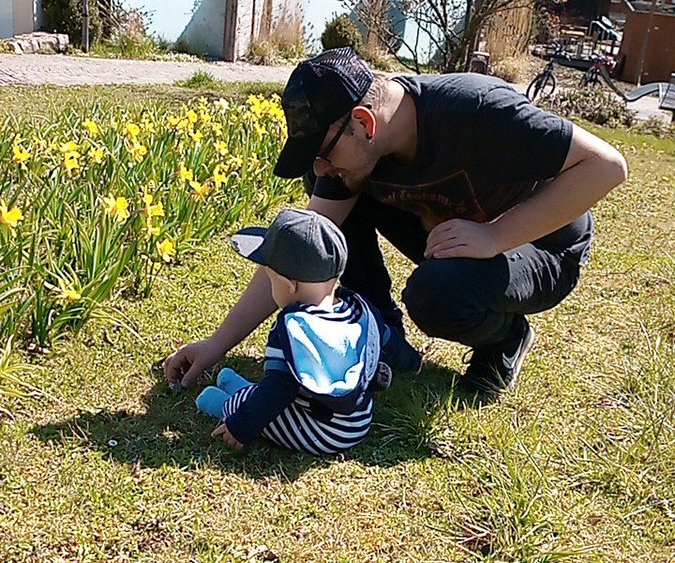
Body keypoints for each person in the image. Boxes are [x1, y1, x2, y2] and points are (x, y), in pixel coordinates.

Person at [165, 47, 628, 400]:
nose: (321, 169)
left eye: (323, 153)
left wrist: (495, 236)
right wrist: (217, 344)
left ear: (364, 123)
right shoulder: (362, 153)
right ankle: (381, 336)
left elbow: (607, 167)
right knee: (328, 222)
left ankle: (505, 338)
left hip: (543, 246)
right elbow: (300, 255)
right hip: (458, 233)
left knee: (437, 294)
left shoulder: (477, 110)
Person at [193, 207, 421, 455]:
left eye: (271, 280)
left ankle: (225, 403)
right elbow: (389, 341)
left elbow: (278, 389)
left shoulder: (293, 329)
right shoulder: (358, 311)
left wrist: (241, 427)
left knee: (254, 403)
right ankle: (243, 391)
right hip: (357, 421)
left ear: (288, 286)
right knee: (261, 396)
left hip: (321, 431)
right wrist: (413, 361)